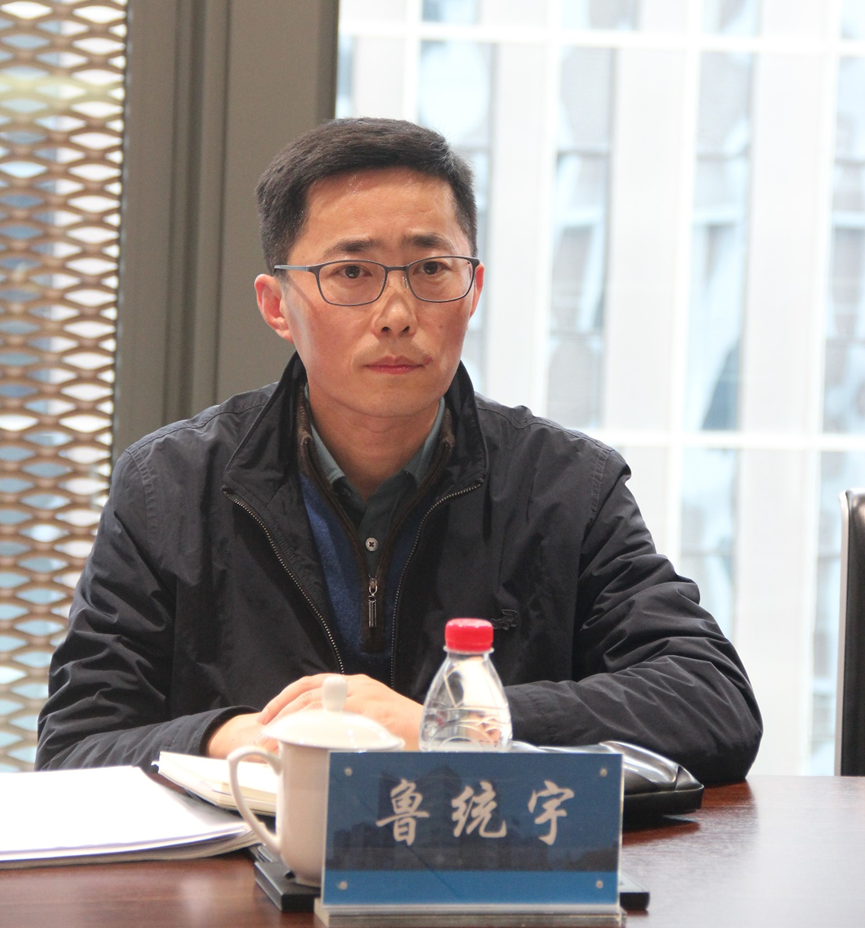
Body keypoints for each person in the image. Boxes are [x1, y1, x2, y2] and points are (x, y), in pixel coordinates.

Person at [36, 118, 761, 783]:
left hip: (481, 873)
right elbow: (75, 745)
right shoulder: (169, 485)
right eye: (351, 273)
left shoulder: (565, 485)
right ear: (276, 305)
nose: (395, 314)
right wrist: (238, 736)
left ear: (472, 288)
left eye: (430, 270)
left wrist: (451, 726)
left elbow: (710, 699)